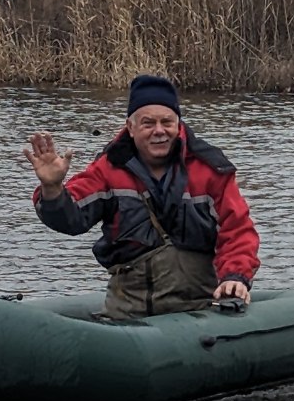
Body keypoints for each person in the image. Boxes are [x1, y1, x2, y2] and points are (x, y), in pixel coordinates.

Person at [25, 73, 260, 317]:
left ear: (178, 125)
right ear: (131, 127)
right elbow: (72, 220)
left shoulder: (211, 170)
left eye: (167, 122)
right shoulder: (107, 169)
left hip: (199, 309)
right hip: (128, 313)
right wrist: (52, 188)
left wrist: (236, 276)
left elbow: (238, 230)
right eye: (148, 123)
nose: (159, 131)